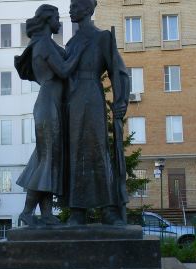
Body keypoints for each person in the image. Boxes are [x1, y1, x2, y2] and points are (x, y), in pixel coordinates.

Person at [15, 4, 86, 226]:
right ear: (47, 20)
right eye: (56, 17)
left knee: (47, 160)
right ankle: (27, 212)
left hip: (52, 104)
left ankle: (45, 214)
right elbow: (64, 71)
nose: (59, 21)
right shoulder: (43, 43)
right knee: (47, 161)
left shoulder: (46, 43)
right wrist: (81, 50)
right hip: (48, 105)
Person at [61, 0, 130, 225]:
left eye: (76, 5)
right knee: (74, 152)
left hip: (92, 96)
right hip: (71, 101)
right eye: (70, 5)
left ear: (89, 9)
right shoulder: (71, 43)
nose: (71, 9)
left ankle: (108, 209)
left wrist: (121, 99)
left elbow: (118, 70)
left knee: (98, 150)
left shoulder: (102, 38)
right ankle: (77, 210)